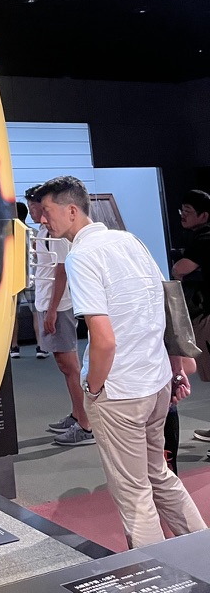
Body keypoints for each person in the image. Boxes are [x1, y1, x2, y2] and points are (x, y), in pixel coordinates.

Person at [36, 174, 206, 549]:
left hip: (120, 391)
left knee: (134, 494)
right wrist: (175, 368)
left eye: (47, 211)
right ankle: (200, 551)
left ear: (71, 210)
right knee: (159, 474)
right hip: (156, 382)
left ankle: (157, 574)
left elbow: (104, 339)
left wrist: (94, 388)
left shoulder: (82, 256)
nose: (43, 220)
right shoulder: (130, 241)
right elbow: (168, 306)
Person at [25, 184, 93, 447]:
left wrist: (53, 310)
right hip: (46, 301)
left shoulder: (59, 235)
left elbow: (62, 271)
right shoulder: (45, 232)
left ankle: (86, 424)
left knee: (70, 365)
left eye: (38, 207)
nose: (34, 212)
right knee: (64, 365)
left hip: (60, 305)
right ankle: (77, 414)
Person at [171, 190, 210, 451]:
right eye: (181, 211)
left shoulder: (205, 238)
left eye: (188, 212)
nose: (183, 216)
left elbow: (179, 269)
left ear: (204, 215)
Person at [9, 201, 48, 359]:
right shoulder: (34, 233)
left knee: (12, 314)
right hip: (31, 276)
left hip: (13, 279)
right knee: (36, 312)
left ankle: (14, 347)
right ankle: (41, 347)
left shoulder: (8, 236)